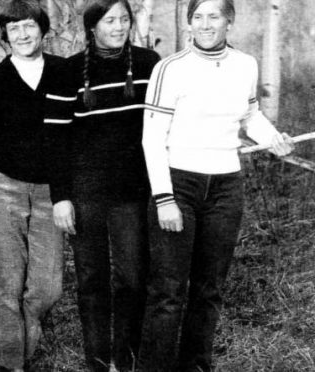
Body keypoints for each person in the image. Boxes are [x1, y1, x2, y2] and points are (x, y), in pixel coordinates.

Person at [139, 0, 294, 371]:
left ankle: (196, 365)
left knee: (209, 290)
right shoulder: (169, 68)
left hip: (226, 187)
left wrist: (274, 138)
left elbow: (250, 116)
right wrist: (164, 199)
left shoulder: (246, 65)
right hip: (178, 185)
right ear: (189, 24)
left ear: (230, 22)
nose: (205, 24)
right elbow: (151, 138)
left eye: (214, 16)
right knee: (168, 293)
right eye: (197, 17)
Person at [51, 1, 160, 371]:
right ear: (92, 26)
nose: (118, 26)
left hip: (132, 193)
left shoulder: (149, 64)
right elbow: (56, 140)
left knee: (131, 277)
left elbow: (164, 125)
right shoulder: (68, 72)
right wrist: (61, 197)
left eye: (124, 19)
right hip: (86, 194)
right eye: (109, 20)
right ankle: (97, 361)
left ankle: (124, 359)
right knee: (91, 280)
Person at [0, 1, 76, 370]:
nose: (22, 34)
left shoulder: (64, 72)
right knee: (5, 281)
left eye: (29, 26)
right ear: (5, 35)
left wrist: (68, 190)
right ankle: (11, 362)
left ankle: (29, 327)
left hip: (52, 191)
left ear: (42, 29)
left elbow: (73, 135)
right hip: (2, 186)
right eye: (14, 28)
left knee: (49, 286)